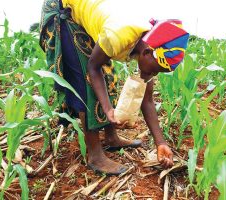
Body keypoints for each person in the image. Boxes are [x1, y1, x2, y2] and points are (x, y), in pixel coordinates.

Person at [39, 0, 189, 175]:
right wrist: (108, 108)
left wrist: (160, 143)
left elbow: (147, 99)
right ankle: (95, 155)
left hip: (92, 13)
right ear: (147, 53)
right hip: (63, 9)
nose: (152, 76)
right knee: (86, 79)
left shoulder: (148, 44)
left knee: (108, 78)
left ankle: (111, 138)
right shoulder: (118, 35)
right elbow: (93, 68)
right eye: (155, 71)